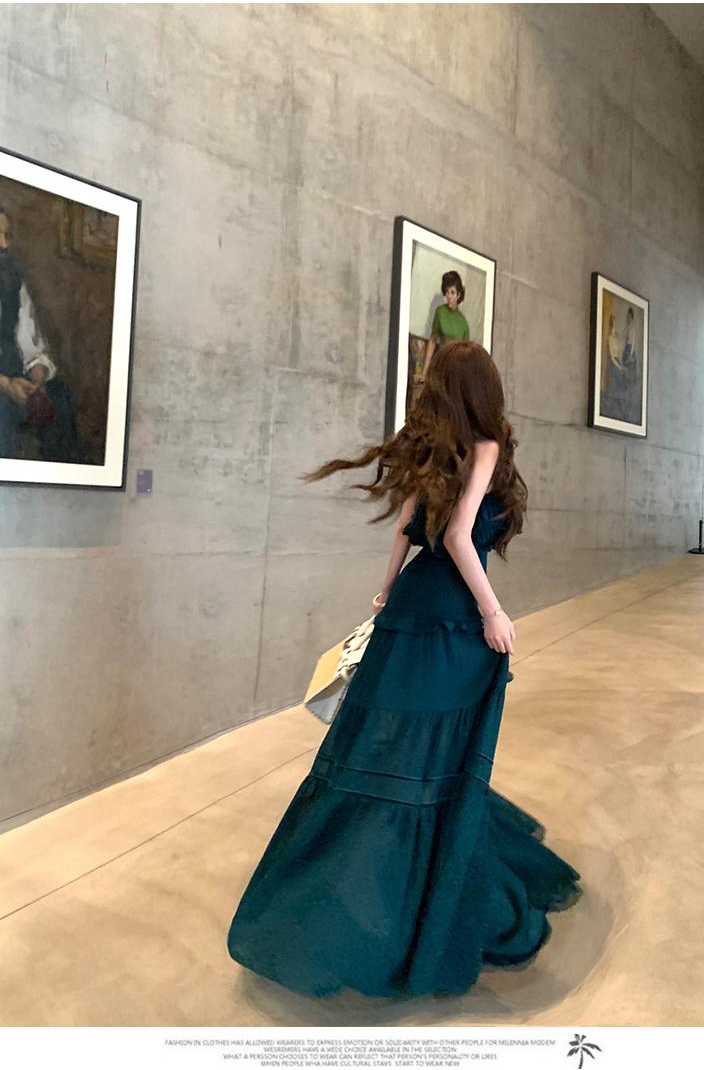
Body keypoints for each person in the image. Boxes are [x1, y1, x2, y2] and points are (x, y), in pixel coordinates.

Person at [227, 340, 582, 999]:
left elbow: (405, 529)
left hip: (411, 608)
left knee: (381, 751)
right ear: (486, 390)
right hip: (453, 617)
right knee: (439, 757)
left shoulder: (432, 448)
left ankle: (341, 894)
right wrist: (494, 612)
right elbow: (458, 537)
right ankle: (418, 901)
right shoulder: (484, 448)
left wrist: (387, 591)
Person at [0, 207, 84, 463]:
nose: (4, 245)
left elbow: (30, 341)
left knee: (61, 396)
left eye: (7, 235)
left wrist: (38, 378)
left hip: (15, 375)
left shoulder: (13, 282)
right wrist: (5, 384)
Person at [417, 270, 470, 381]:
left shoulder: (463, 322)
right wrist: (424, 372)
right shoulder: (440, 312)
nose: (449, 296)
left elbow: (466, 355)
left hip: (456, 369)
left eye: (452, 293)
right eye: (447, 292)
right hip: (441, 364)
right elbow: (432, 340)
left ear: (459, 294)